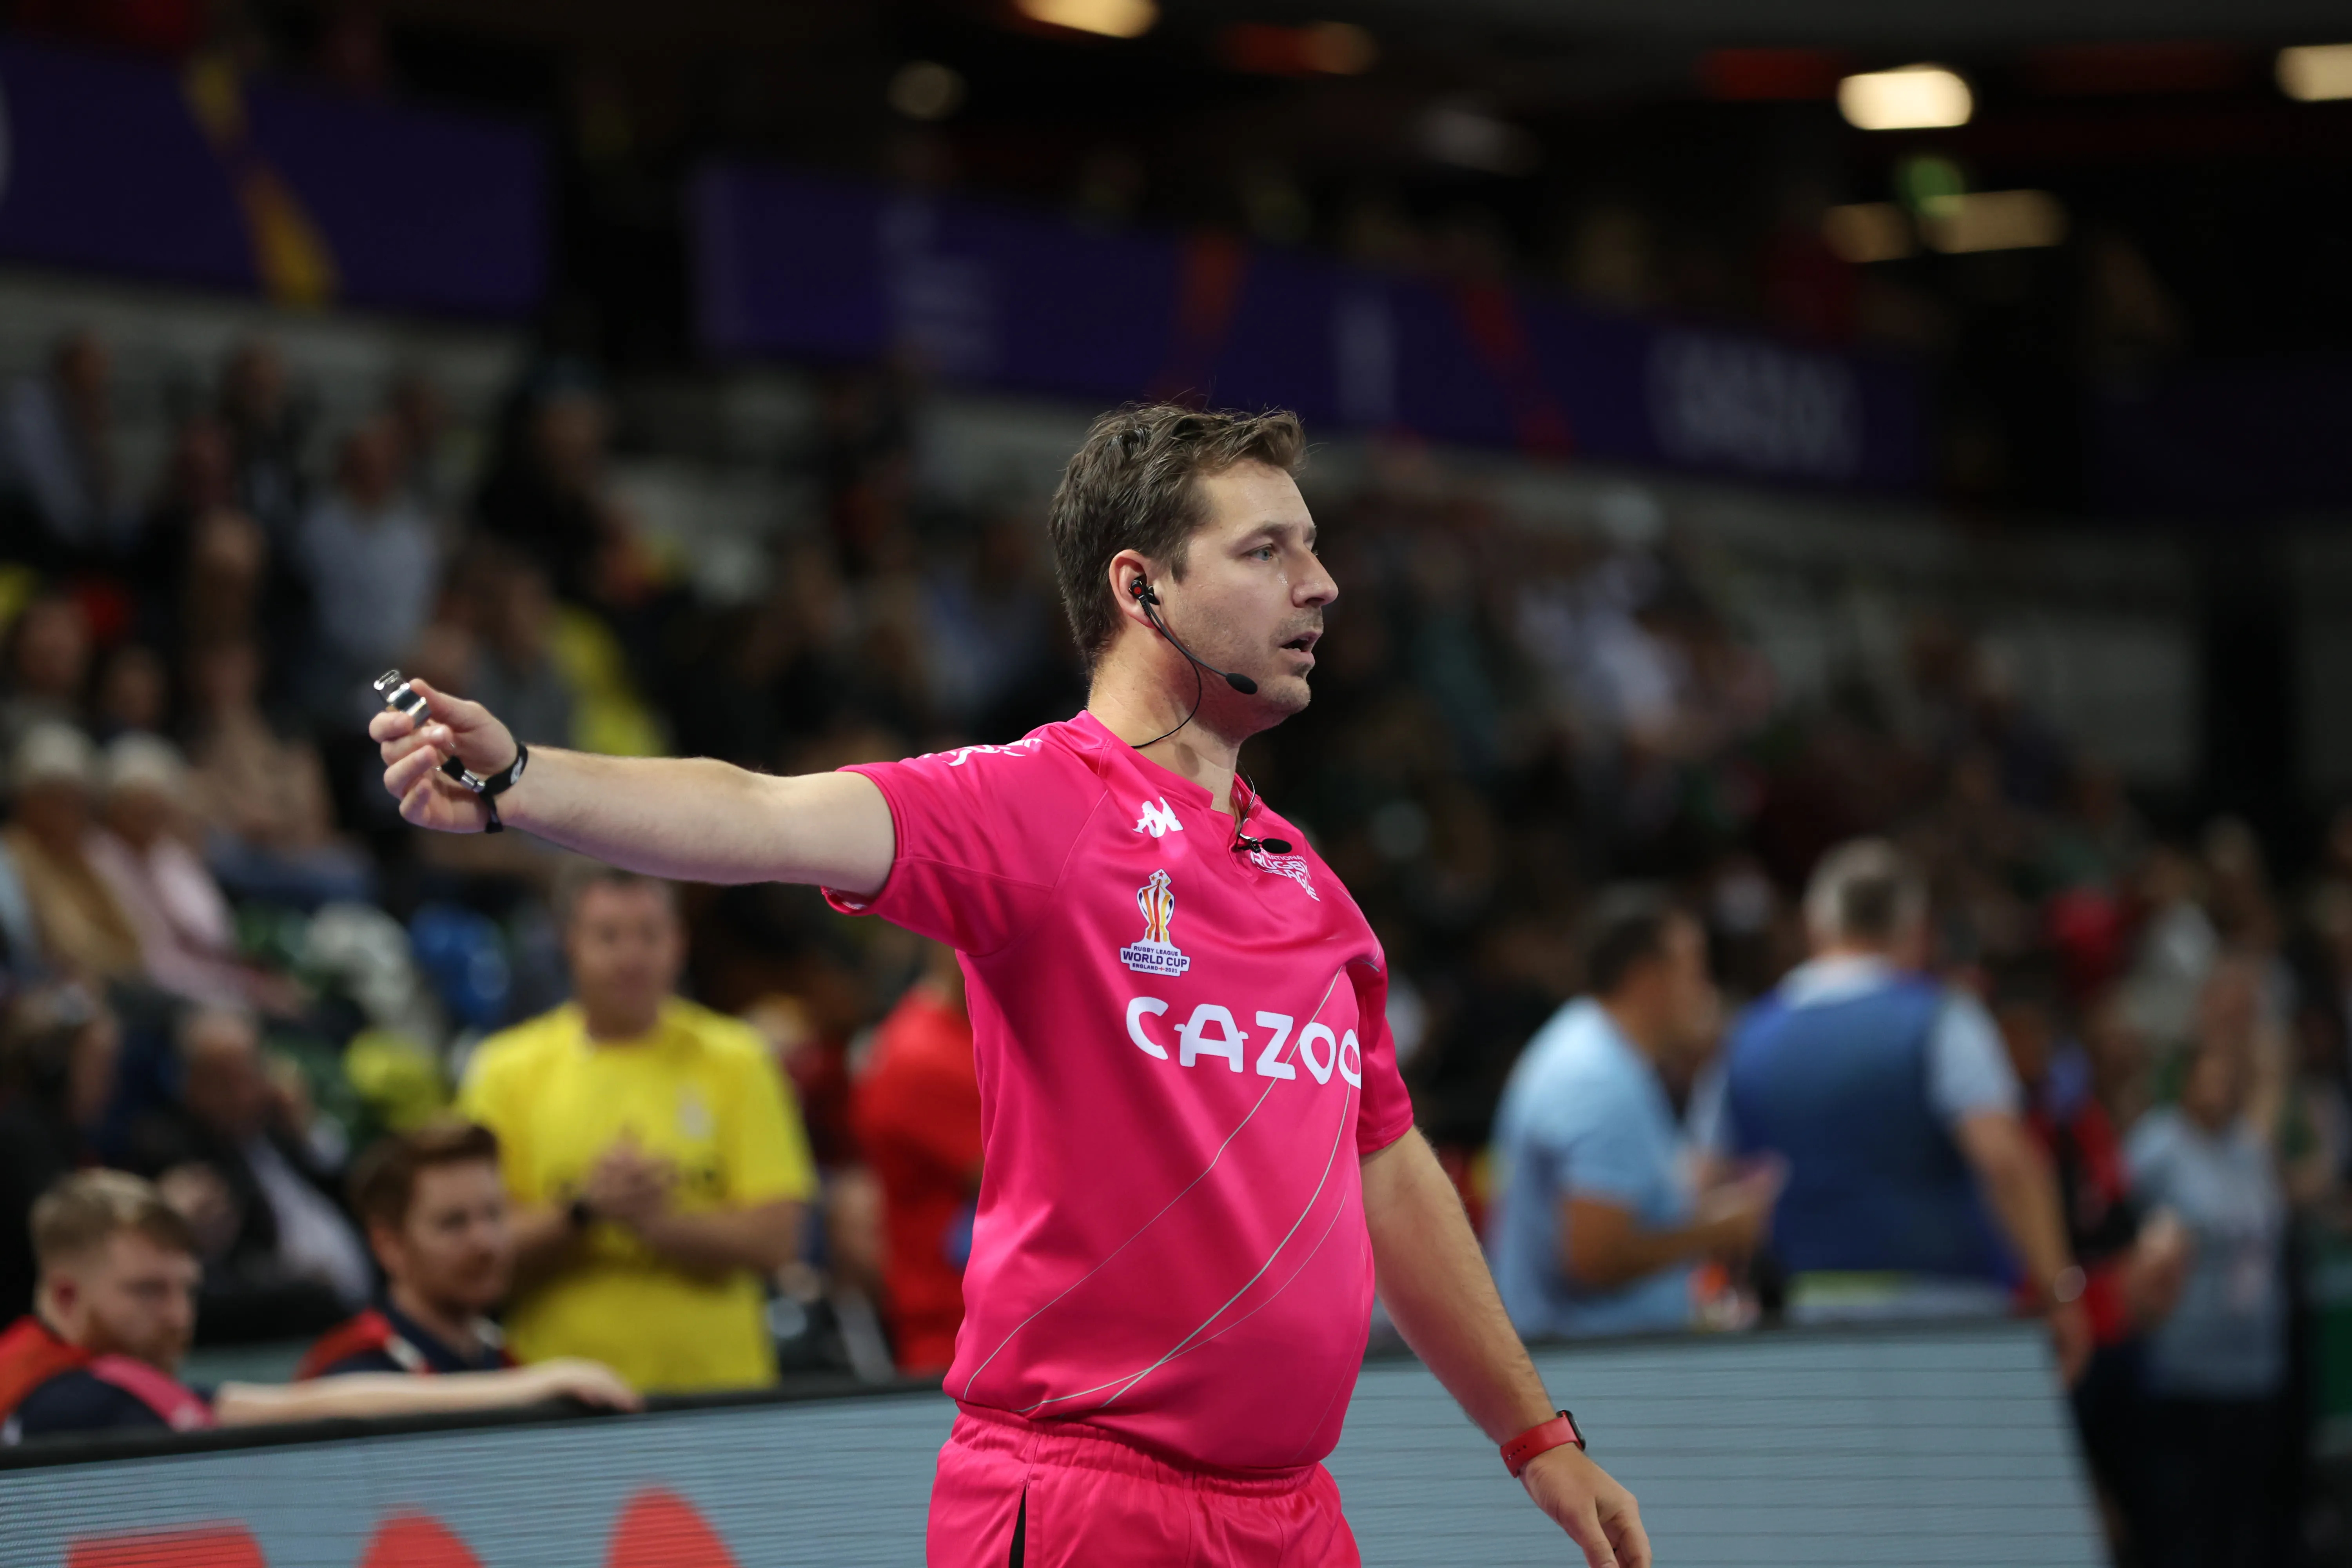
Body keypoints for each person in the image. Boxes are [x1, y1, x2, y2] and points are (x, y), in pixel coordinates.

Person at [375, 403, 1653, 1568]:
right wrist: (523, 780)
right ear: (1141, 588)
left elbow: (1386, 1165)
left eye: (1310, 549)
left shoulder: (1311, 889)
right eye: (1265, 552)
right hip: (1085, 1504)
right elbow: (762, 813)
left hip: (1293, 1517)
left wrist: (1536, 1434)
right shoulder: (1040, 809)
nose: (1319, 583)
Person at [1713, 838, 2090, 1379]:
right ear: (1918, 932)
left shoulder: (1748, 1036)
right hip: (1945, 1322)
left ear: (1815, 926)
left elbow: (1706, 1180)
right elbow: (2005, 1162)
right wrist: (2059, 1290)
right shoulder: (1941, 1019)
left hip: (1802, 1320)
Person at [457, 864, 817, 1394]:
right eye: (608, 936)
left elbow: (779, 1240)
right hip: (558, 1396)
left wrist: (655, 1222)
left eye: (649, 935)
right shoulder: (504, 1071)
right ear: (569, 944)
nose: (631, 958)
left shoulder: (738, 1058)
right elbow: (475, 1252)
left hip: (722, 1392)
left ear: (679, 943)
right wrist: (583, 1211)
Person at [0, 1170, 636, 1443]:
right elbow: (304, 1411)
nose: (177, 1316)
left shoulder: (30, 1370)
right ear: (63, 1295)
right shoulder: (93, 1396)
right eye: (147, 1291)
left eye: (186, 1290)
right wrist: (532, 1385)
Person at [1487, 887, 1774, 1338]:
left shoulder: (1596, 1050)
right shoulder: (1597, 1077)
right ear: (1646, 978)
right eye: (1693, 969)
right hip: (1590, 1369)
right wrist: (1720, 1229)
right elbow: (1594, 1256)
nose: (1705, 990)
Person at [2127, 1024, 2293, 1568]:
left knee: (2243, 1517)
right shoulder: (2156, 1147)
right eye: (2210, 1079)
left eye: (2230, 1080)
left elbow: (2272, 1225)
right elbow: (2126, 1237)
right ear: (2187, 1082)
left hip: (2254, 1359)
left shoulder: (2250, 1146)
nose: (2220, 1091)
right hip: (2185, 1364)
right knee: (2185, 1520)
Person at [129, 1005, 371, 1339]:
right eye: (225, 1080)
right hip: (300, 1321)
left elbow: (348, 1190)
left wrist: (307, 1129)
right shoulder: (176, 1149)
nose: (244, 1092)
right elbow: (226, 1268)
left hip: (360, 1302)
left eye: (251, 1073)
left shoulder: (277, 1125)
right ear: (192, 1084)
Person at [297, 1120, 524, 1378]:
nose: (485, 1242)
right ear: (388, 1246)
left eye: (494, 1214)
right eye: (453, 1223)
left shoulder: (500, 1358)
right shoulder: (355, 1373)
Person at [854, 940, 984, 1375]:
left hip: (1002, 1331)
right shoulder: (921, 1057)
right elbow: (1045, 1182)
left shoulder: (980, 1029)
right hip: (957, 1347)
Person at [0, 986, 120, 1323]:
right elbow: (74, 1247)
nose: (110, 1083)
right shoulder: (19, 1142)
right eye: (98, 1065)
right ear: (54, 1071)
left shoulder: (63, 1139)